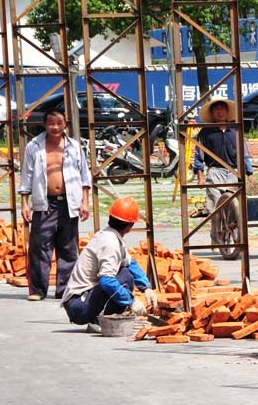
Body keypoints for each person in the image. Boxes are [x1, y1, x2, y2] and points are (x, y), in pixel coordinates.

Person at [19, 110, 91, 301]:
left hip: (69, 203)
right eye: (51, 123)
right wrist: (25, 203)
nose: (55, 127)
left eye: (59, 123)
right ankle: (38, 290)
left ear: (65, 124)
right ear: (45, 124)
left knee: (68, 248)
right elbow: (26, 175)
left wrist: (85, 202)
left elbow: (84, 176)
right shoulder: (34, 146)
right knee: (40, 247)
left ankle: (64, 289)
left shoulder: (74, 146)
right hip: (45, 203)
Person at [61, 197, 158, 330]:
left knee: (125, 271)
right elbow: (106, 281)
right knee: (125, 277)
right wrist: (132, 301)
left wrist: (146, 288)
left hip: (82, 300)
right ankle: (103, 321)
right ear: (130, 226)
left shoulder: (110, 235)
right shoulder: (110, 243)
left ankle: (101, 318)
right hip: (78, 306)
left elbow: (130, 263)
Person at [193, 97, 254, 248]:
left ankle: (236, 237)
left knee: (235, 207)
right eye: (216, 110)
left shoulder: (235, 130)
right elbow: (198, 155)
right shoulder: (206, 133)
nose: (220, 112)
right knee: (215, 206)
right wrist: (200, 177)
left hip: (233, 171)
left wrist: (249, 172)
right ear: (213, 114)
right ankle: (216, 238)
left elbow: (244, 153)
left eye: (222, 109)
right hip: (214, 172)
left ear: (227, 112)